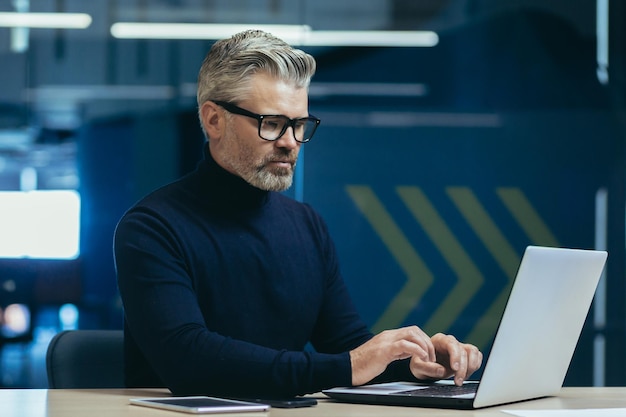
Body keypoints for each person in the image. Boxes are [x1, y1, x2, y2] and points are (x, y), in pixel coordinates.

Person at [114, 29, 482, 398]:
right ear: (213, 121)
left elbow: (346, 345)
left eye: (299, 125)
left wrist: (416, 363)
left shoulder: (306, 225)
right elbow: (188, 360)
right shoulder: (152, 227)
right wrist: (349, 365)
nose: (290, 142)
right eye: (271, 123)